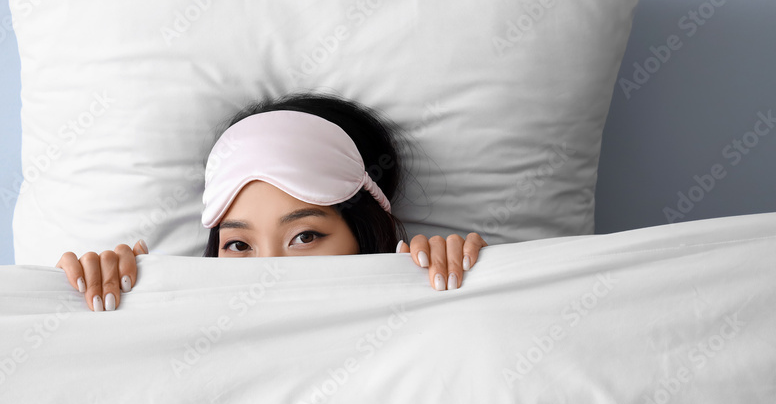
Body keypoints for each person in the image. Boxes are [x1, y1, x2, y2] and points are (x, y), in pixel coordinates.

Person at [56, 91, 487, 311]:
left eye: (304, 236)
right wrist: (79, 299)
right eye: (239, 245)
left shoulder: (426, 310)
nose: (269, 271)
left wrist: (469, 285)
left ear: (367, 233)